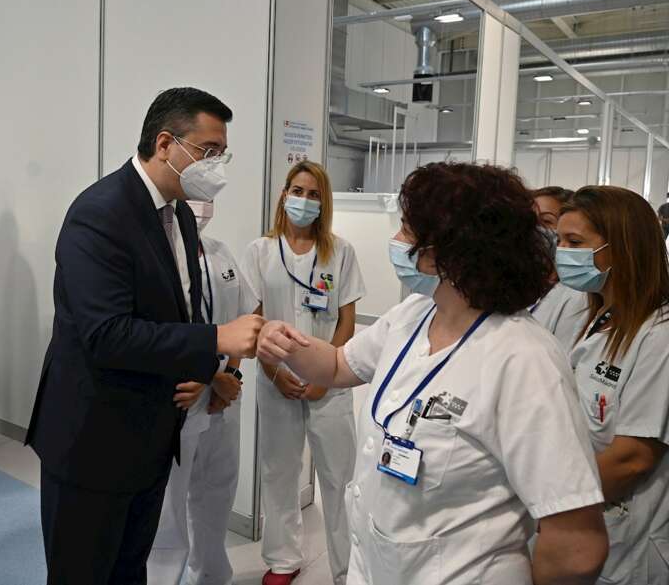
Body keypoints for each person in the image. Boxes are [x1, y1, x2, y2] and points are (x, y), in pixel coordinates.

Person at [256, 162, 609, 585]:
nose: (397, 241)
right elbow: (337, 364)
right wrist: (289, 345)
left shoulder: (524, 359)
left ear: (448, 248)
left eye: (407, 230)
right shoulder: (415, 313)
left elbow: (576, 545)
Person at [25, 87, 265, 585]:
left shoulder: (178, 213)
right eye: (207, 152)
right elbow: (107, 335)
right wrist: (216, 342)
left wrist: (206, 373)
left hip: (150, 436)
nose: (216, 167)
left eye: (222, 154)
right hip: (93, 437)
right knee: (84, 573)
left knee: (130, 569)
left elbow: (178, 311)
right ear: (164, 144)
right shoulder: (100, 213)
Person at [240, 160, 364, 585]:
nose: (304, 200)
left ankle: (348, 570)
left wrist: (324, 374)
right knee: (279, 470)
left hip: (329, 382)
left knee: (339, 478)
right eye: (298, 191)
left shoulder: (340, 251)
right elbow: (254, 319)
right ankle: (282, 560)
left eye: (313, 194)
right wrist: (274, 373)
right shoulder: (259, 251)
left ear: (323, 202)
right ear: (284, 195)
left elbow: (347, 321)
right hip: (276, 380)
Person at [556, 186, 669, 584]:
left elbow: (633, 457)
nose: (562, 253)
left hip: (625, 540)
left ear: (621, 247)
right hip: (580, 525)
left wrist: (550, 501)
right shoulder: (592, 314)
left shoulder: (658, 336)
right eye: (559, 240)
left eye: (575, 242)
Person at [146, 198, 259, 585]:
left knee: (217, 494)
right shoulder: (157, 257)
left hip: (223, 398)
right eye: (192, 196)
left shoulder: (219, 251)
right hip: (181, 398)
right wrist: (212, 376)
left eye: (207, 198)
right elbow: (155, 337)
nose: (201, 207)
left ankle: (211, 576)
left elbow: (247, 315)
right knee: (169, 508)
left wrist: (230, 378)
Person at [531, 186, 589, 353]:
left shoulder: (577, 294)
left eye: (546, 222)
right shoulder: (526, 284)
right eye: (529, 220)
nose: (535, 230)